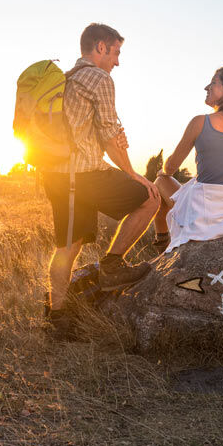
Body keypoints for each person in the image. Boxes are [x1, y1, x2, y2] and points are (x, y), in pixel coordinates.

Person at [42, 23, 160, 339]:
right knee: (150, 197)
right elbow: (109, 135)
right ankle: (112, 265)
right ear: (101, 47)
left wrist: (111, 140)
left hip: (58, 175)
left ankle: (57, 316)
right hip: (81, 177)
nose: (117, 62)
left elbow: (89, 133)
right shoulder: (99, 78)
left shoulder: (67, 78)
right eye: (116, 52)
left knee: (69, 246)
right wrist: (133, 174)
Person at [152, 67, 223, 253]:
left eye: (213, 82)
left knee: (160, 181)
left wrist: (163, 170)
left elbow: (171, 167)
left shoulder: (199, 122)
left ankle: (162, 245)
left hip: (202, 214)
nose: (207, 87)